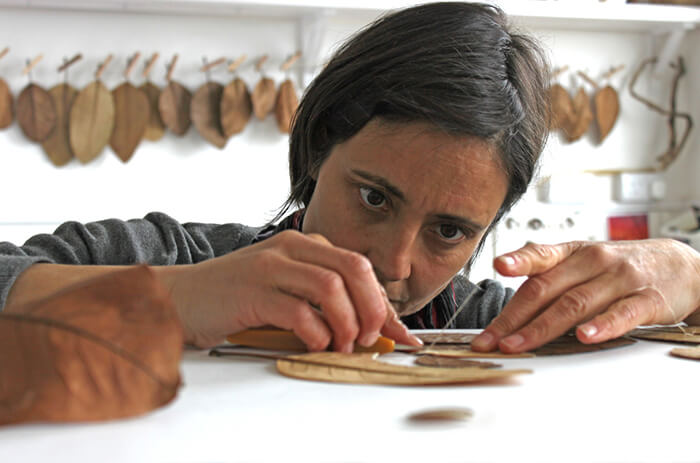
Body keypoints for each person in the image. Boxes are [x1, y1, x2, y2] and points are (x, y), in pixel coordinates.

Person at [0, 2, 698, 354]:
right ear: (314, 155)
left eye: (450, 231)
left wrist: (688, 275)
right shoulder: (171, 259)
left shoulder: (484, 329)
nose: (394, 262)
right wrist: (178, 300)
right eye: (373, 197)